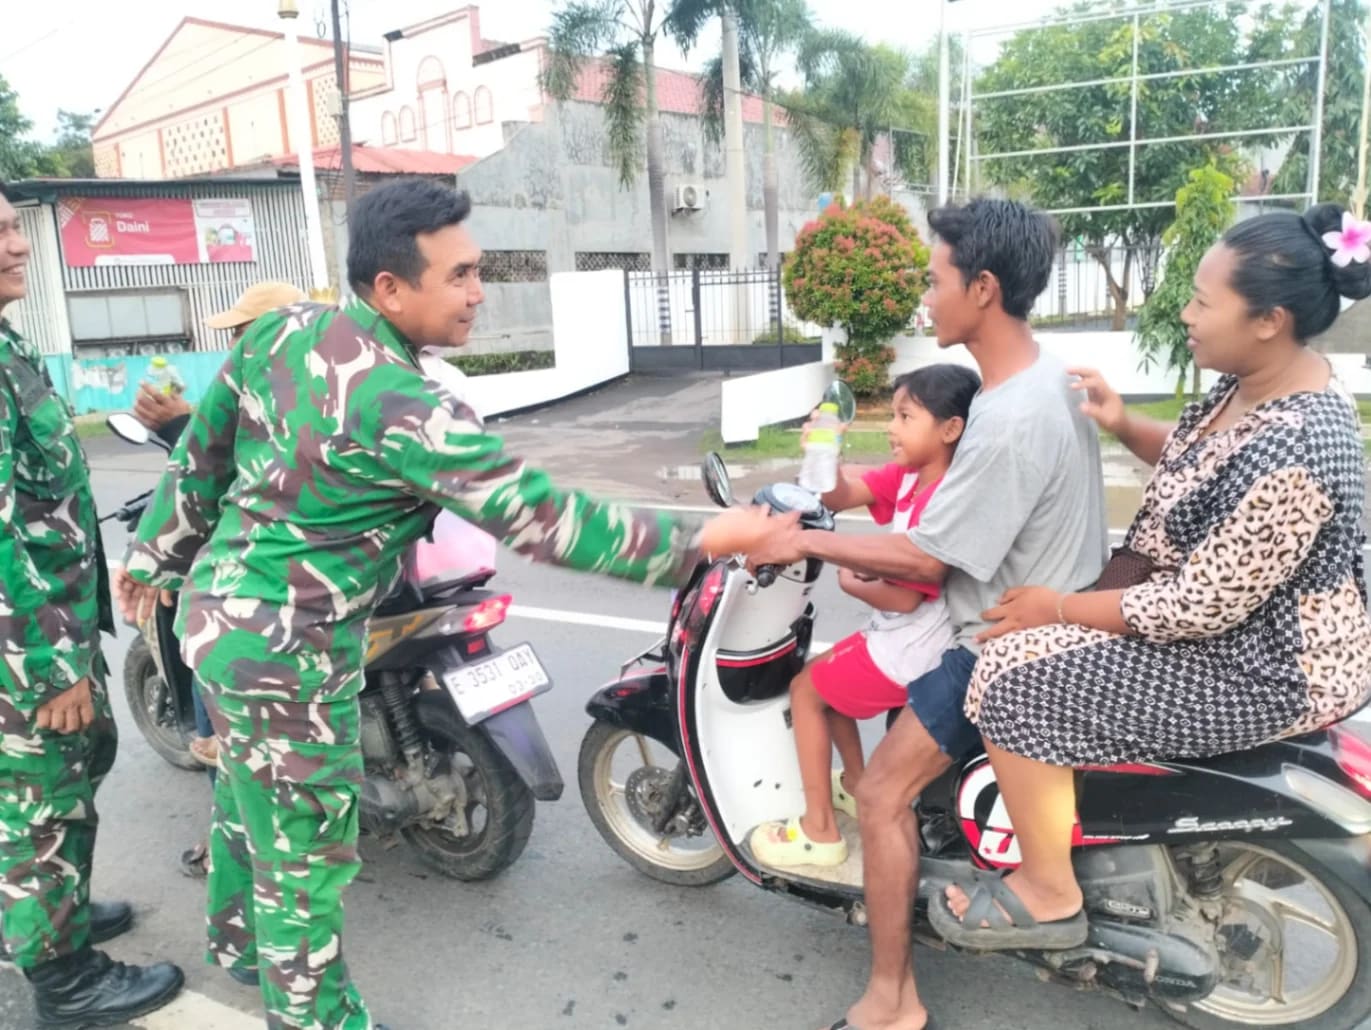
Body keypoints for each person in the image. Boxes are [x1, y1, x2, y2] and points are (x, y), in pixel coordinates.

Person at [115, 179, 783, 1030]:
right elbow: (545, 520)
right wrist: (708, 543)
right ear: (391, 288)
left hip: (218, 622)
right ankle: (315, 1016)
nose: (478, 292)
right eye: (460, 275)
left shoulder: (282, 331)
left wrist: (154, 554)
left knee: (250, 802)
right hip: (291, 648)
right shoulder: (407, 406)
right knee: (306, 854)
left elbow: (202, 454)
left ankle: (244, 944)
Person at [933, 204, 1371, 951]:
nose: (1185, 312)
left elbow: (1197, 607)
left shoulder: (1300, 442)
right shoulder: (1258, 384)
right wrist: (1122, 422)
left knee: (1009, 681)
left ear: (1267, 319)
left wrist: (1058, 606)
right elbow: (1204, 463)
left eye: (1203, 301)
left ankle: (1047, 891)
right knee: (1029, 650)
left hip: (1265, 666)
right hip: (1236, 629)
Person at [748, 198, 1108, 1030]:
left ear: (981, 288)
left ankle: (890, 1002)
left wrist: (797, 545)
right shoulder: (1037, 384)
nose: (924, 297)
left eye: (935, 279)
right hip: (1048, 624)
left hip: (1001, 649)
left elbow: (921, 562)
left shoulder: (1007, 416)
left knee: (877, 794)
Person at [0, 192, 184, 1024]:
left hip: (50, 625)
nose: (17, 243)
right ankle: (63, 981)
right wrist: (48, 666)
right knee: (46, 797)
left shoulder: (8, 347)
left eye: (13, 225)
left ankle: (46, 917)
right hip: (27, 645)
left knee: (61, 782)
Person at [750, 365, 980, 870]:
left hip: (917, 643)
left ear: (950, 428)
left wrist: (852, 579)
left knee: (807, 691)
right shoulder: (911, 477)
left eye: (905, 416)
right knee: (826, 681)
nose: (892, 428)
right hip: (903, 633)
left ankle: (819, 831)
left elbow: (905, 598)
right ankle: (854, 784)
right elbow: (839, 496)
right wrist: (825, 451)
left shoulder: (942, 499)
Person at [128, 281, 308, 878]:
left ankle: (227, 843)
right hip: (335, 591)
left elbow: (222, 490)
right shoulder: (329, 388)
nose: (233, 344)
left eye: (240, 332)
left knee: (216, 711)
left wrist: (187, 425)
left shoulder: (266, 396)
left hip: (253, 597)